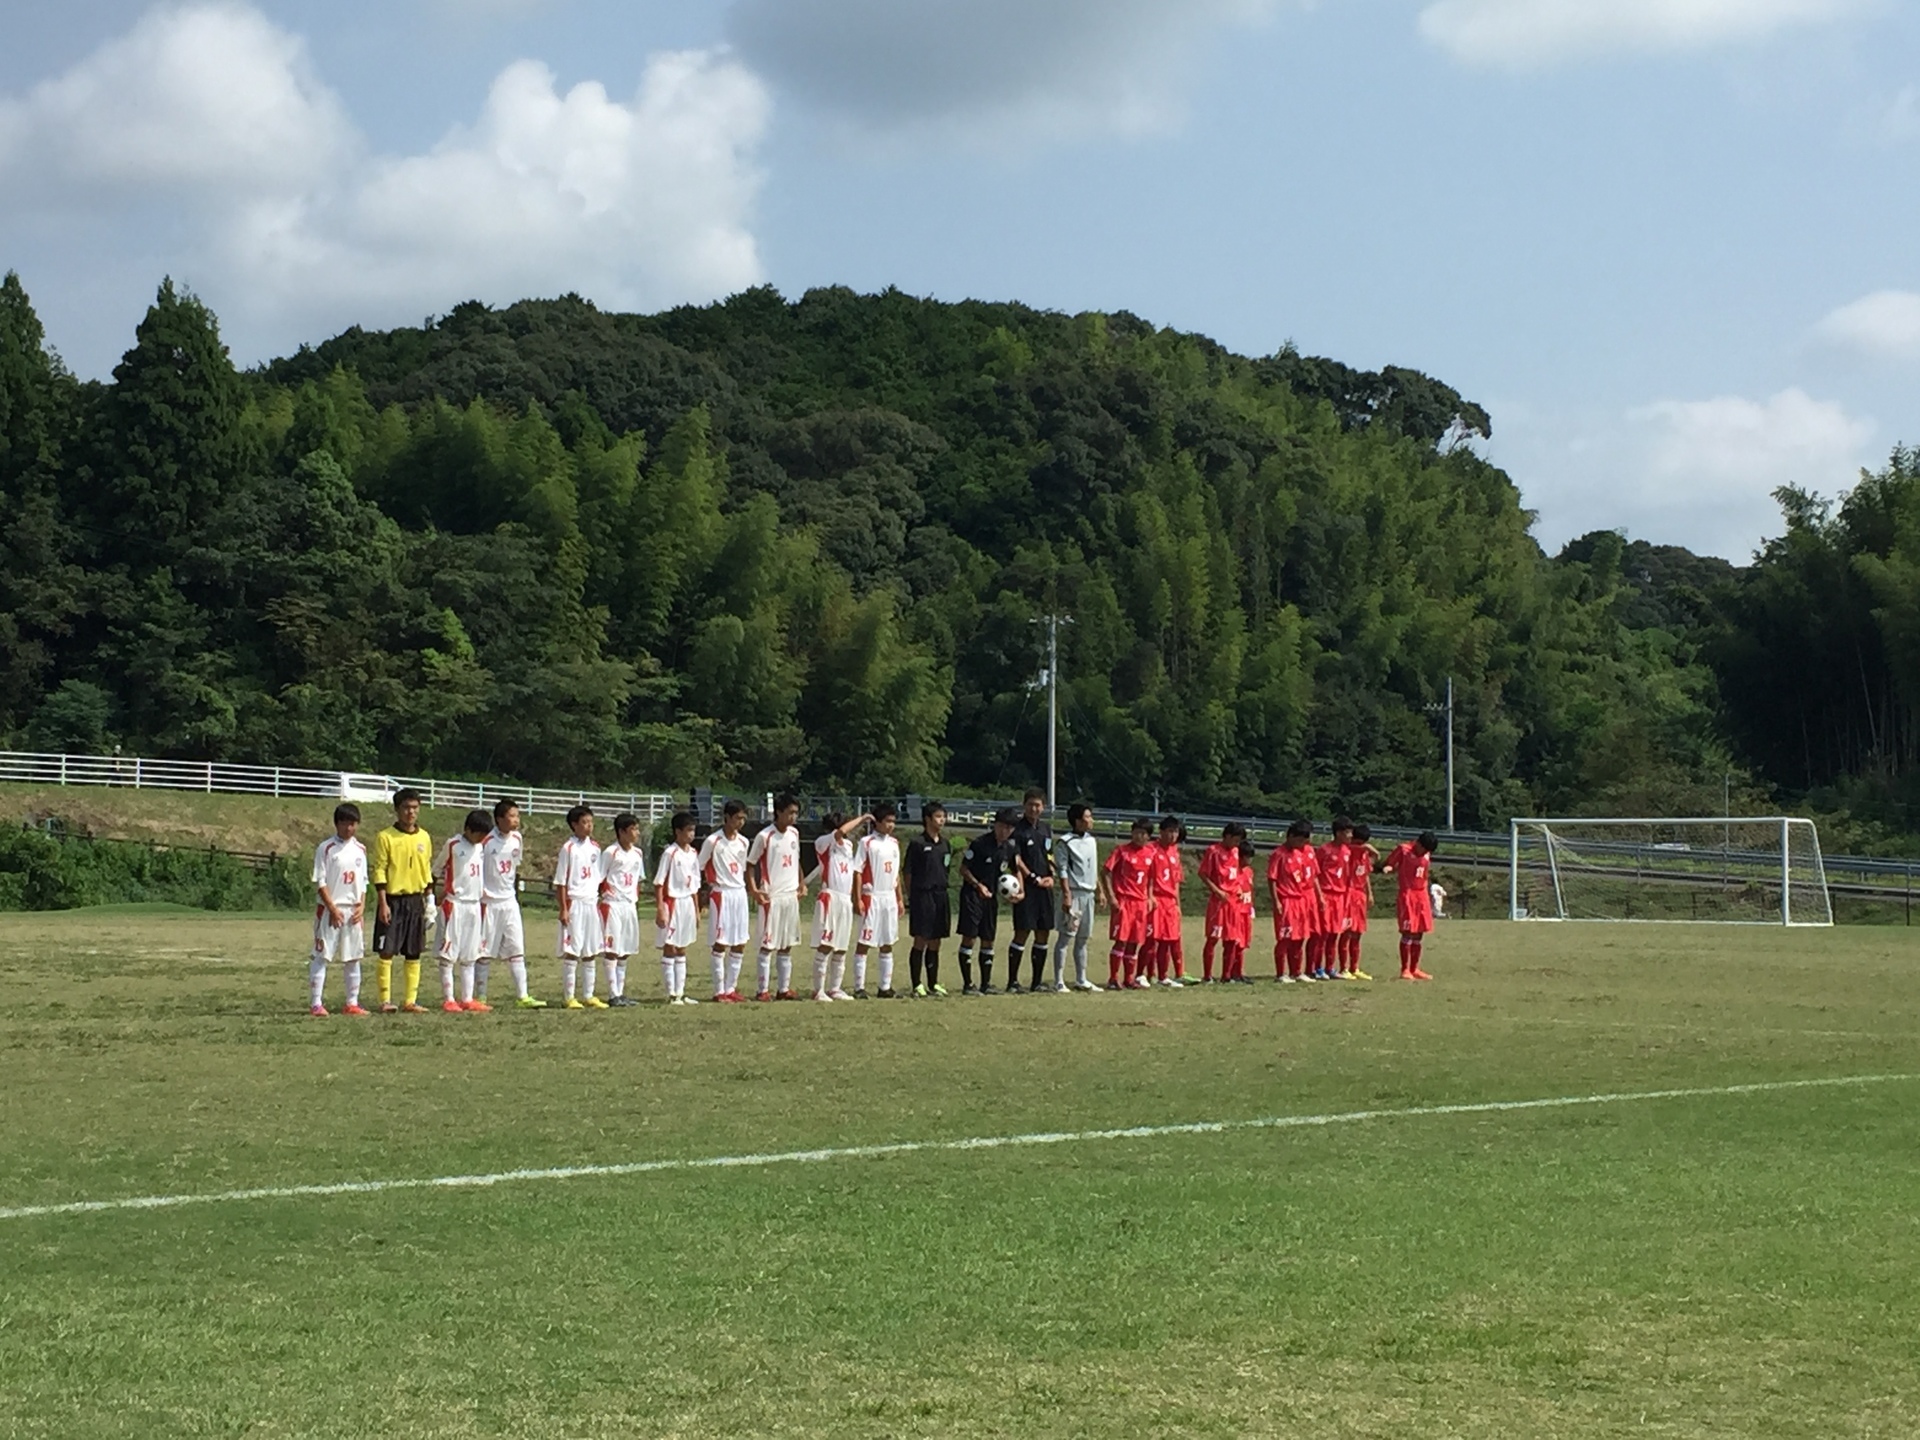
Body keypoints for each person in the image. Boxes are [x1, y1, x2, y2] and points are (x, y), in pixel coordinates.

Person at [370, 788, 433, 1014]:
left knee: (414, 950)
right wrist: (383, 902)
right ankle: (385, 1000)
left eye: (415, 808)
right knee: (386, 949)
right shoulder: (385, 836)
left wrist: (430, 900)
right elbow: (379, 869)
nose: (411, 812)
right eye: (406, 808)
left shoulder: (424, 837)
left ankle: (410, 1000)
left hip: (415, 900)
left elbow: (426, 869)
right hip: (393, 900)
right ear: (397, 810)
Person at [482, 799, 542, 1009]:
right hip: (488, 902)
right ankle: (480, 997)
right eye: (512, 816)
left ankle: (523, 995)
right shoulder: (486, 841)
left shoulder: (517, 838)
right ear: (499, 819)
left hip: (509, 901)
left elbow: (515, 865)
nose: (516, 820)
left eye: (518, 815)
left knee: (517, 948)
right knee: (484, 951)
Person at [309, 803, 368, 1017]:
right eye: (345, 823)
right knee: (322, 955)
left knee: (353, 958)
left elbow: (363, 882)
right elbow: (320, 881)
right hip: (330, 910)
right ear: (337, 824)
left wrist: (361, 905)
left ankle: (352, 1002)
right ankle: (316, 1003)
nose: (349, 828)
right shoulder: (326, 848)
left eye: (353, 824)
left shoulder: (360, 849)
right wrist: (332, 908)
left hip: (353, 911)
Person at [747, 795, 807, 1001]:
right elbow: (751, 863)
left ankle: (784, 989)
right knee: (768, 943)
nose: (793, 817)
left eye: (796, 813)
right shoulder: (765, 837)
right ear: (779, 812)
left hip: (790, 896)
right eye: (790, 812)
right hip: (772, 896)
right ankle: (762, 990)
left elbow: (796, 860)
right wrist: (755, 890)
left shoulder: (794, 834)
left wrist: (801, 882)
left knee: (787, 943)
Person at [957, 809, 1021, 994]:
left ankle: (986, 984)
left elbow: (1015, 870)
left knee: (989, 939)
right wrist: (978, 886)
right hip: (972, 896)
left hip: (991, 898)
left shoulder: (1009, 847)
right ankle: (968, 984)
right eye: (1001, 826)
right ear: (995, 825)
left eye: (1009, 827)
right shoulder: (980, 844)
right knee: (969, 937)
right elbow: (963, 869)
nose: (1004, 831)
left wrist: (1018, 892)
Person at [435, 810, 492, 1013]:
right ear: (468, 829)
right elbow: (436, 870)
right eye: (478, 834)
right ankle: (449, 998)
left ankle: (467, 998)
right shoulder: (453, 845)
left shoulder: (481, 848)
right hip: (455, 904)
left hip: (474, 905)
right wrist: (434, 898)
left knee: (470, 955)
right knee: (449, 954)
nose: (481, 839)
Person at [811, 810, 871, 1002]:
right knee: (826, 944)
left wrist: (856, 898)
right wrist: (862, 818)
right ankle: (818, 990)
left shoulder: (847, 845)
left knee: (841, 946)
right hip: (830, 897)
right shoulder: (823, 841)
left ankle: (835, 988)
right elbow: (838, 833)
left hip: (845, 899)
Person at [698, 799, 753, 1002]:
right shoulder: (713, 841)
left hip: (739, 893)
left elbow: (743, 869)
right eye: (737, 818)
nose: (740, 822)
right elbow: (699, 866)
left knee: (740, 942)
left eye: (743, 818)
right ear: (727, 818)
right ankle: (718, 991)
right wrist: (703, 893)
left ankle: (731, 988)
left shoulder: (744, 842)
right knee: (720, 942)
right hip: (721, 893)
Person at [553, 805, 606, 1009]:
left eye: (591, 822)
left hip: (591, 903)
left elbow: (597, 876)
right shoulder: (568, 848)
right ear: (574, 825)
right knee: (573, 950)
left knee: (591, 949)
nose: (589, 826)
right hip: (575, 903)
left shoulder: (595, 847)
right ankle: (569, 997)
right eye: (584, 822)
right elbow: (561, 881)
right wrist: (564, 908)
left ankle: (589, 994)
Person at [1007, 789, 1056, 994]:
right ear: (1024, 805)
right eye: (1030, 805)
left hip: (1044, 888)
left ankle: (1037, 982)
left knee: (1043, 932)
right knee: (1023, 931)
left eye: (1038, 805)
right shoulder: (1017, 830)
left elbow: (1049, 854)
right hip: (1026, 888)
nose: (1034, 809)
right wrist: (1033, 878)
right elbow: (1016, 859)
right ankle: (1013, 982)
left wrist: (1051, 875)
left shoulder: (1045, 829)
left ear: (1043, 807)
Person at [853, 803, 904, 998]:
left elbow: (896, 873)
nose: (891, 825)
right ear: (878, 822)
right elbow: (858, 871)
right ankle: (859, 987)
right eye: (888, 821)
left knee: (887, 941)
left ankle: (885, 987)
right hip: (872, 896)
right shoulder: (866, 843)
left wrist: (899, 898)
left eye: (893, 821)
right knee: (864, 941)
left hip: (889, 898)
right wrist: (858, 899)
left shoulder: (894, 843)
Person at [904, 802, 954, 997]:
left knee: (936, 940)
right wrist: (911, 896)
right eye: (938, 816)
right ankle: (917, 984)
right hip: (922, 895)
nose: (942, 820)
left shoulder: (945, 843)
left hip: (940, 895)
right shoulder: (917, 843)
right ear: (927, 819)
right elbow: (908, 872)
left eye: (944, 816)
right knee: (921, 939)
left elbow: (946, 868)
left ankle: (933, 983)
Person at [1100, 818, 1156, 990]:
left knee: (1135, 941)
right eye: (1136, 832)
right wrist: (1111, 896)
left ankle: (1129, 979)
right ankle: (1113, 978)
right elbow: (1106, 872)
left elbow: (1150, 878)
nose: (1139, 836)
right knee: (1121, 940)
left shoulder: (1150, 853)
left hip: (1140, 903)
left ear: (1148, 837)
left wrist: (1150, 897)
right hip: (1124, 901)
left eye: (1143, 834)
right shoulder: (1122, 851)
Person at [600, 814, 648, 1008]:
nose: (637, 833)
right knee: (612, 948)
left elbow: (638, 880)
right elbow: (599, 878)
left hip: (629, 905)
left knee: (625, 949)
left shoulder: (637, 854)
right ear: (622, 832)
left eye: (637, 829)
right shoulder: (611, 853)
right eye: (633, 829)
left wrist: (635, 901)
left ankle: (620, 992)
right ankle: (613, 994)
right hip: (613, 904)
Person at [1051, 803, 1100, 992]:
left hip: (1089, 894)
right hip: (1074, 893)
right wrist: (1066, 895)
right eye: (1088, 817)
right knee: (1066, 937)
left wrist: (1100, 891)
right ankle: (1059, 981)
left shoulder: (1092, 841)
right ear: (1078, 821)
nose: (1091, 820)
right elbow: (1062, 870)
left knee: (1083, 939)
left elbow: (1092, 868)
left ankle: (1082, 978)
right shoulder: (1065, 842)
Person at [655, 811, 702, 1005]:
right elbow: (659, 883)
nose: (691, 834)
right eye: (688, 830)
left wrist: (697, 909)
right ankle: (671, 993)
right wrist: (660, 907)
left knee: (682, 947)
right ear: (678, 831)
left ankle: (681, 993)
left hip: (687, 903)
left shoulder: (692, 853)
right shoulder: (670, 853)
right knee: (670, 946)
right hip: (672, 902)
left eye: (693, 830)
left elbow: (695, 885)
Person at [1267, 820, 1320, 983]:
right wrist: (1276, 901)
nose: (1302, 844)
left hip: (1302, 899)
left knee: (1300, 936)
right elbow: (1272, 879)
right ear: (1290, 836)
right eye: (1299, 840)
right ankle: (1281, 974)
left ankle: (1297, 971)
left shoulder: (1304, 852)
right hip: (1287, 899)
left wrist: (1318, 897)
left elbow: (1311, 877)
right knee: (1285, 937)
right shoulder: (1279, 854)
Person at [1383, 832, 1439, 980]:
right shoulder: (1403, 849)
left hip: (1421, 895)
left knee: (1419, 932)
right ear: (1418, 843)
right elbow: (1390, 863)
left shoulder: (1426, 854)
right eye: (1424, 849)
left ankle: (1415, 968)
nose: (1425, 853)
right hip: (1408, 895)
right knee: (1408, 931)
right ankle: (1405, 969)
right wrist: (1388, 868)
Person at [1199, 823, 1247, 984]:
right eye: (1235, 840)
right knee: (1213, 938)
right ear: (1227, 836)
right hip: (1218, 901)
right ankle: (1207, 975)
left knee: (1231, 939)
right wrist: (1216, 891)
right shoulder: (1213, 851)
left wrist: (1239, 887)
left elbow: (1236, 874)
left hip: (1233, 901)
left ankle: (1226, 976)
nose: (1237, 844)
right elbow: (1203, 874)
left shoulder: (1235, 852)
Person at [1314, 817, 1357, 981]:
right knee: (1322, 934)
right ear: (1338, 833)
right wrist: (1319, 897)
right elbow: (1315, 875)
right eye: (1347, 832)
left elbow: (1347, 875)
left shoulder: (1347, 851)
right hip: (1326, 894)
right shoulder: (1324, 850)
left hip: (1341, 896)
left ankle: (1330, 967)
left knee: (1334, 934)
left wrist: (1347, 896)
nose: (1350, 835)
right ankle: (1316, 967)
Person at [1147, 816, 1187, 986]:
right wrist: (1149, 896)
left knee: (1168, 939)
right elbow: (1147, 877)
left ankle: (1163, 976)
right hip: (1156, 899)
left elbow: (1176, 881)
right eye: (1169, 831)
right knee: (1152, 939)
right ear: (1161, 832)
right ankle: (1148, 974)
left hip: (1170, 901)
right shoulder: (1151, 849)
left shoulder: (1175, 852)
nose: (1173, 835)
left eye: (1175, 832)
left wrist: (1178, 904)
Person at [1345, 823, 1378, 982]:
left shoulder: (1363, 854)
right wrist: (1367, 848)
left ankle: (1355, 966)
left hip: (1360, 895)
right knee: (1347, 932)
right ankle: (1344, 968)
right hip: (1349, 893)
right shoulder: (1349, 851)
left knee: (1358, 933)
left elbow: (1365, 874)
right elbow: (1360, 849)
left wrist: (1369, 893)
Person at [1229, 835, 1257, 983]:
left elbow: (1251, 890)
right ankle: (1233, 972)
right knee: (1236, 943)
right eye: (1246, 858)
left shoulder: (1249, 872)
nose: (1248, 861)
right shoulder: (1235, 872)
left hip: (1246, 910)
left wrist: (1252, 906)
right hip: (1237, 911)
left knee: (1244, 943)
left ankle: (1239, 971)